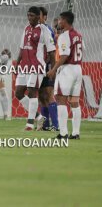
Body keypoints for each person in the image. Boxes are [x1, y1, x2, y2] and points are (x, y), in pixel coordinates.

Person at [15, 6, 55, 131]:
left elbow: (52, 52)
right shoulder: (26, 29)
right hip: (24, 66)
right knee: (18, 93)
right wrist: (17, 63)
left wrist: (52, 70)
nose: (29, 18)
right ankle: (39, 117)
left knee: (32, 92)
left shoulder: (44, 30)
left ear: (38, 17)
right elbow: (22, 48)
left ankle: (29, 124)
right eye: (28, 15)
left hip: (36, 66)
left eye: (32, 15)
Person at [46, 11, 83, 140]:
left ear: (65, 21)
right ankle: (76, 133)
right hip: (78, 68)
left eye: (60, 20)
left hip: (67, 69)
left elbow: (65, 55)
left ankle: (63, 133)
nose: (58, 22)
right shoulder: (78, 35)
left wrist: (53, 70)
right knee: (74, 101)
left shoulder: (64, 36)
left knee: (61, 100)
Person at [38, 7, 59, 131]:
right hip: (39, 66)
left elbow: (51, 50)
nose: (36, 17)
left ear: (45, 16)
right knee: (41, 95)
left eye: (38, 15)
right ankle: (45, 125)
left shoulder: (47, 30)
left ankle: (56, 125)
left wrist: (51, 66)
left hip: (48, 65)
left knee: (49, 94)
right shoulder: (36, 30)